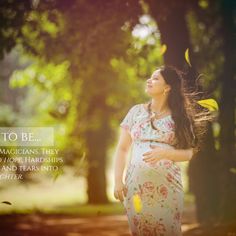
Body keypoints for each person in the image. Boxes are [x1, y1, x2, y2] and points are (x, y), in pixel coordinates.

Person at [113, 65, 215, 236]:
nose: (149, 80)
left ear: (167, 87)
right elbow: (122, 149)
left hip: (167, 190)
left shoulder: (179, 117)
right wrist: (118, 181)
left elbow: (189, 153)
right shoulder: (136, 112)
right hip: (136, 188)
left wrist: (165, 153)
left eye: (155, 78)